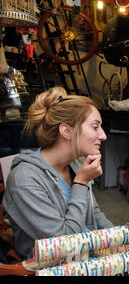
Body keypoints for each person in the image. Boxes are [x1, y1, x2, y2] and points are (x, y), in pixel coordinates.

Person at [2, 87, 115, 260]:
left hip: (91, 256)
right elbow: (64, 245)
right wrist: (81, 183)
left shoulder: (76, 165)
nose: (103, 135)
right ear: (66, 131)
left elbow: (94, 213)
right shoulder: (24, 179)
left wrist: (117, 238)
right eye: (95, 127)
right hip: (55, 266)